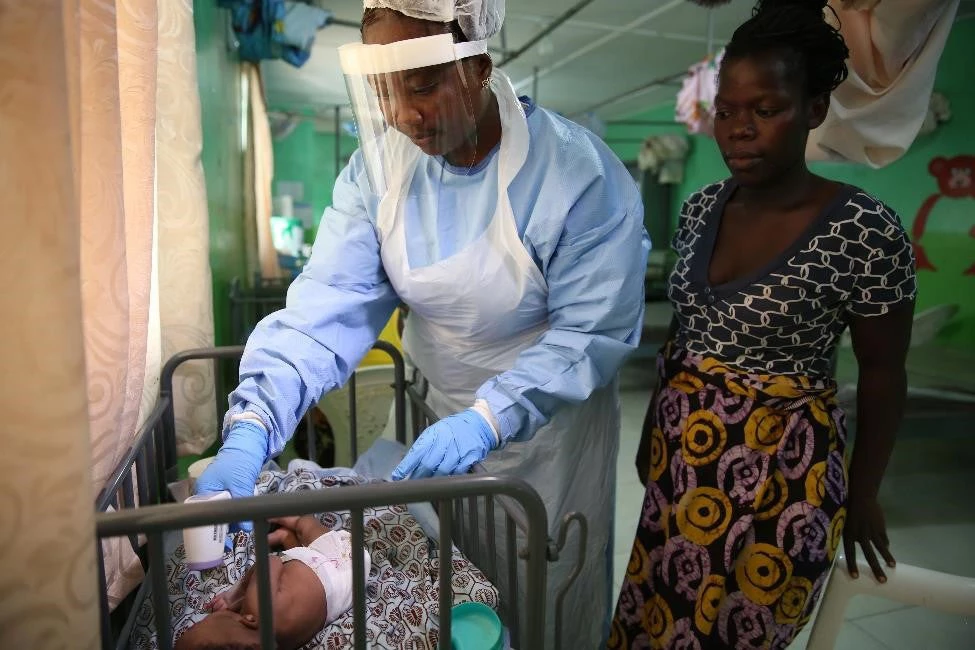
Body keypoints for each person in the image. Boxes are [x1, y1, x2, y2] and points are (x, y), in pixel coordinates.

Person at [194, 0, 650, 646]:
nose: (405, 116)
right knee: (462, 602)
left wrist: (490, 419)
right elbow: (327, 307)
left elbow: (589, 333)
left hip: (552, 439)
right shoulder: (379, 177)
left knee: (545, 603)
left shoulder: (573, 178)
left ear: (480, 68)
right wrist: (251, 425)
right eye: (384, 91)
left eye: (424, 86)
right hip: (445, 428)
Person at [610, 1, 916, 648]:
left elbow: (886, 375)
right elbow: (682, 336)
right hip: (682, 465)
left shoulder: (862, 231)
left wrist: (863, 495)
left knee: (739, 631)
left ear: (811, 111)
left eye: (765, 110)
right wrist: (651, 433)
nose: (738, 130)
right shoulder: (698, 210)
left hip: (781, 475)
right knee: (657, 617)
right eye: (725, 111)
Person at [175, 516, 369, 650]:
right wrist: (236, 594)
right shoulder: (259, 609)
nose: (195, 623)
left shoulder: (277, 644)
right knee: (307, 529)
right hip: (344, 559)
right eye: (194, 627)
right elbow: (271, 562)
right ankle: (293, 520)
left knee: (295, 579)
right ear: (247, 620)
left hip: (347, 593)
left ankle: (285, 536)